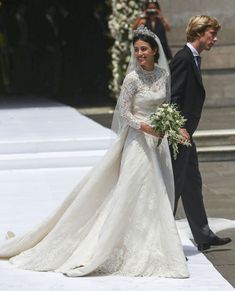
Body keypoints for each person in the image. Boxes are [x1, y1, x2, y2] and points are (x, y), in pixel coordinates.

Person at [0, 25, 189, 278]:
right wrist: (144, 127)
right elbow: (123, 112)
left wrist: (174, 128)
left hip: (158, 143)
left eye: (144, 49)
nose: (140, 53)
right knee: (134, 191)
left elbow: (165, 108)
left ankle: (157, 243)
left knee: (159, 192)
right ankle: (118, 244)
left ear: (155, 50)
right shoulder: (132, 78)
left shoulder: (163, 75)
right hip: (136, 141)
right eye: (136, 50)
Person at [169, 15, 232, 251]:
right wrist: (179, 127)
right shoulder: (184, 59)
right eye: (211, 34)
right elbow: (172, 96)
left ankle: (203, 235)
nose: (214, 39)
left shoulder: (194, 58)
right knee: (174, 187)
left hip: (187, 135)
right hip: (179, 135)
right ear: (198, 33)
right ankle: (163, 238)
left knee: (192, 184)